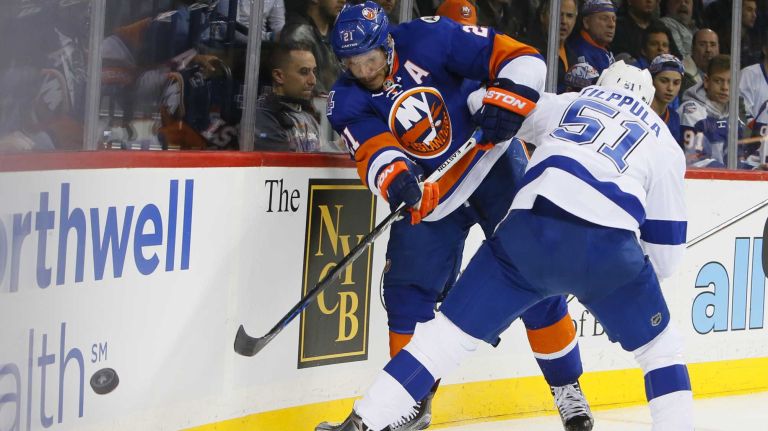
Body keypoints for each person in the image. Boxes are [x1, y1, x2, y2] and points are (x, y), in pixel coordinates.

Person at [319, 60, 694, 431]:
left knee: (442, 339)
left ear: (602, 86)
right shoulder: (663, 142)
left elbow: (487, 103)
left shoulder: (570, 102)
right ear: (647, 99)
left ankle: (362, 422)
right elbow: (665, 259)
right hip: (609, 249)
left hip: (526, 231)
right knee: (659, 351)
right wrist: (620, 273)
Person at [319, 3, 593, 430]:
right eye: (352, 63)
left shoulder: (431, 37)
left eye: (369, 60)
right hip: (435, 196)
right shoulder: (345, 98)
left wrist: (508, 100)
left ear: (386, 43)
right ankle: (409, 401)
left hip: (493, 165)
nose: (363, 71)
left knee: (533, 274)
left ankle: (567, 388)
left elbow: (519, 58)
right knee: (408, 291)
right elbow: (372, 150)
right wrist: (396, 179)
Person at [254, 41, 325, 152]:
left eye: (314, 72)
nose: (313, 81)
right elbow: (285, 167)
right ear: (279, 76)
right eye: (304, 72)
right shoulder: (262, 117)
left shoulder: (308, 118)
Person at [679, 54, 748, 168]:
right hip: (697, 183)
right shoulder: (691, 112)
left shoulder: (734, 116)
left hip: (725, 182)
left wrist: (755, 169)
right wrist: (730, 175)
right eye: (718, 81)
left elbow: (738, 161)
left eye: (730, 82)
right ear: (706, 81)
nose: (725, 87)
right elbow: (695, 161)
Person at [281, 0, 346, 94]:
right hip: (314, 106)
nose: (343, 1)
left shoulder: (341, 33)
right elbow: (307, 89)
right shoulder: (298, 33)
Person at [523, 0, 579, 93]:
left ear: (575, 20)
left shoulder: (574, 57)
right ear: (543, 16)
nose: (564, 21)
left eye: (569, 16)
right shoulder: (531, 53)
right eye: (558, 14)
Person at [566, 0, 616, 74]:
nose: (612, 25)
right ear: (586, 22)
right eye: (604, 18)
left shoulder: (604, 48)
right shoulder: (578, 54)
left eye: (614, 19)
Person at [650, 54, 685, 146]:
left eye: (676, 83)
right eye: (664, 81)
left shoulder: (674, 118)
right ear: (651, 80)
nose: (670, 88)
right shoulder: (637, 111)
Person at [681, 28, 719, 95]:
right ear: (693, 48)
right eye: (702, 44)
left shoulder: (724, 74)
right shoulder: (681, 73)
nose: (708, 49)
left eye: (713, 45)